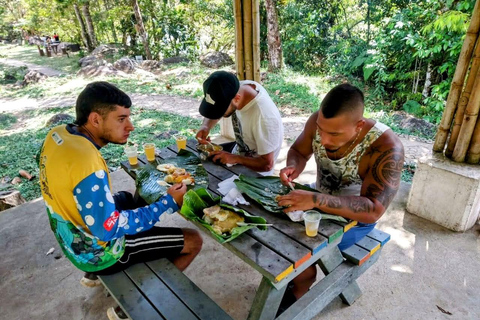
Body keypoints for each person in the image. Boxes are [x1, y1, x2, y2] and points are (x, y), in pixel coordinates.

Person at [38, 81, 203, 319]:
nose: (131, 126)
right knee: (194, 240)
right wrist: (167, 203)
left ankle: (95, 276)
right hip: (99, 251)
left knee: (126, 197)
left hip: (70, 234)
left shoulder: (58, 134)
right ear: (95, 119)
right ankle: (135, 304)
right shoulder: (86, 160)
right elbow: (109, 228)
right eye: (121, 119)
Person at [276, 83, 404, 309]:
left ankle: (301, 284)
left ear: (359, 125)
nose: (323, 140)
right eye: (321, 130)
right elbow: (298, 151)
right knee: (273, 221)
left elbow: (373, 209)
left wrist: (315, 200)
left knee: (298, 245)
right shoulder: (319, 121)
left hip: (355, 220)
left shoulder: (386, 146)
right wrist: (293, 167)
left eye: (334, 134)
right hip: (316, 198)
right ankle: (297, 277)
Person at [195, 71, 284, 175]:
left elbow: (267, 164)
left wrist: (235, 158)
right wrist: (206, 127)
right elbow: (216, 106)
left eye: (220, 110)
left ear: (237, 98)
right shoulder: (236, 87)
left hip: (257, 172)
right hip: (239, 152)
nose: (218, 114)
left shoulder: (264, 117)